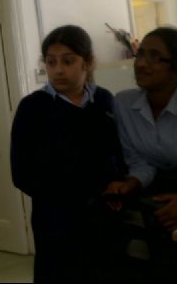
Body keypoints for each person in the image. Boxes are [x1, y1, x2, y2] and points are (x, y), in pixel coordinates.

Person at [10, 25, 126, 284]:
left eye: (68, 61)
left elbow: (116, 153)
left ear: (88, 62)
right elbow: (21, 172)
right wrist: (69, 197)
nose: (58, 70)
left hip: (104, 213)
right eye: (51, 62)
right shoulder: (32, 107)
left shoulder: (104, 100)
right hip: (56, 218)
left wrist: (117, 183)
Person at [104, 27, 177, 283]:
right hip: (158, 195)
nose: (142, 63)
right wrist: (131, 182)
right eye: (141, 54)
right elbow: (139, 160)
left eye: (155, 57)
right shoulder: (124, 104)